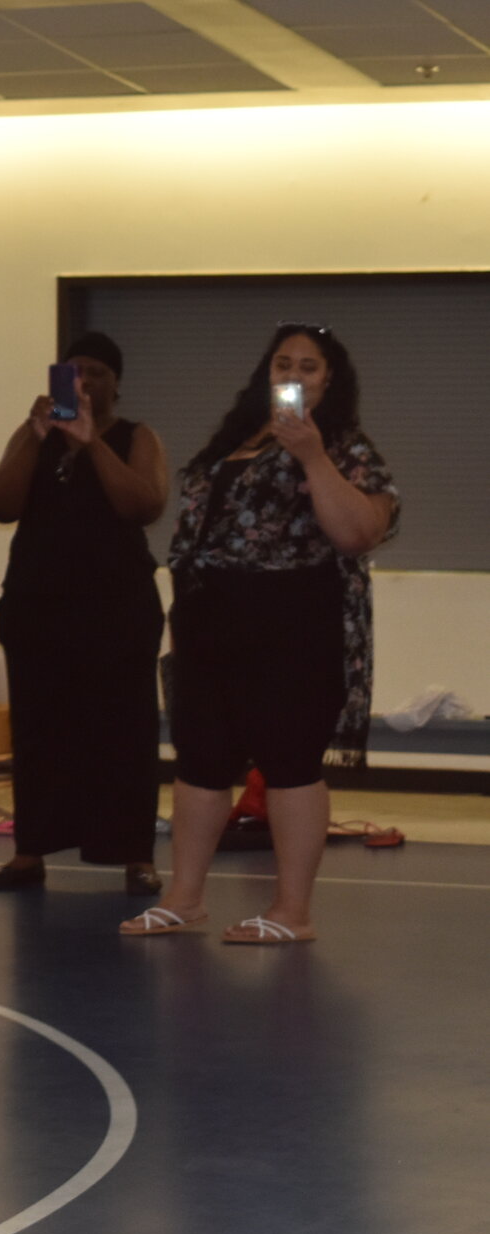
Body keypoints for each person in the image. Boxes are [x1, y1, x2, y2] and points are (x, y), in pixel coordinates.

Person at [125, 325, 396, 946]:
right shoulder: (235, 441)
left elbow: (358, 533)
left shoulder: (346, 447)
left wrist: (312, 456)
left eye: (309, 367)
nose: (293, 376)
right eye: (283, 364)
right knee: (200, 763)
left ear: (330, 381)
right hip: (210, 622)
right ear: (265, 373)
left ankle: (292, 912)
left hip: (294, 623)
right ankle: (184, 899)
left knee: (289, 762)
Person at [0, 332, 167, 895]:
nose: (84, 383)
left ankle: (135, 855)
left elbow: (144, 504)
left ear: (116, 383)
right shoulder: (34, 434)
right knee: (39, 732)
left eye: (97, 373)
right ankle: (30, 852)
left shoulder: (137, 437)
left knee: (126, 732)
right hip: (39, 608)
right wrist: (36, 440)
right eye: (73, 372)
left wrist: (90, 444)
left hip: (118, 612)